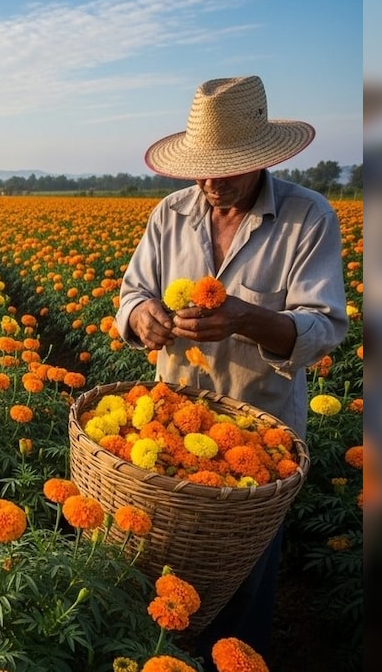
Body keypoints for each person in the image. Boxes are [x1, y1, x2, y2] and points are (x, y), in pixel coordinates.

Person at [115, 76, 350, 657]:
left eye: (226, 168)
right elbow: (131, 293)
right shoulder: (170, 214)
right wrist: (142, 316)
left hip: (260, 440)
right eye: (202, 167)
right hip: (168, 432)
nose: (209, 181)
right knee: (159, 579)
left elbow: (325, 328)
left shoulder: (308, 218)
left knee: (240, 594)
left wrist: (247, 316)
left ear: (261, 159)